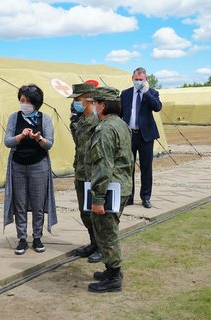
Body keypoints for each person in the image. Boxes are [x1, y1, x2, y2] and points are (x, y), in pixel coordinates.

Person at [88, 87, 133, 293]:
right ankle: (110, 269)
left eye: (96, 103)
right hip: (122, 184)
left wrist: (97, 199)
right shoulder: (121, 124)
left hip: (110, 189)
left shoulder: (105, 129)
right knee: (108, 229)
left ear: (103, 105)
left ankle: (114, 276)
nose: (94, 107)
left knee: (107, 232)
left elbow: (103, 166)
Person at [3, 84, 57, 255]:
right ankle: (21, 238)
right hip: (18, 165)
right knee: (19, 203)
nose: (24, 104)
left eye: (27, 101)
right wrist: (21, 136)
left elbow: (49, 144)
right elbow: (7, 141)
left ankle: (37, 237)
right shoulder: (14, 117)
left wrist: (38, 138)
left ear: (36, 103)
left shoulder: (45, 118)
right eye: (22, 100)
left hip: (39, 165)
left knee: (37, 203)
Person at [68, 83, 102, 263]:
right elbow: (77, 143)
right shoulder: (80, 120)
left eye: (77, 99)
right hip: (81, 171)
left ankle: (102, 247)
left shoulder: (99, 122)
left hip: (94, 173)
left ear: (89, 99)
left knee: (97, 213)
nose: (75, 103)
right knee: (84, 211)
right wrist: (73, 121)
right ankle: (93, 243)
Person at [120, 67, 162, 209]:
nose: (138, 82)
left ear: (145, 80)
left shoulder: (152, 92)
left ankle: (145, 197)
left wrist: (147, 93)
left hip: (146, 136)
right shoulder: (125, 94)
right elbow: (120, 113)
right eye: (136, 79)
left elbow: (157, 107)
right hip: (129, 135)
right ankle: (129, 197)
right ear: (132, 79)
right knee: (128, 168)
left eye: (141, 79)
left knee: (146, 168)